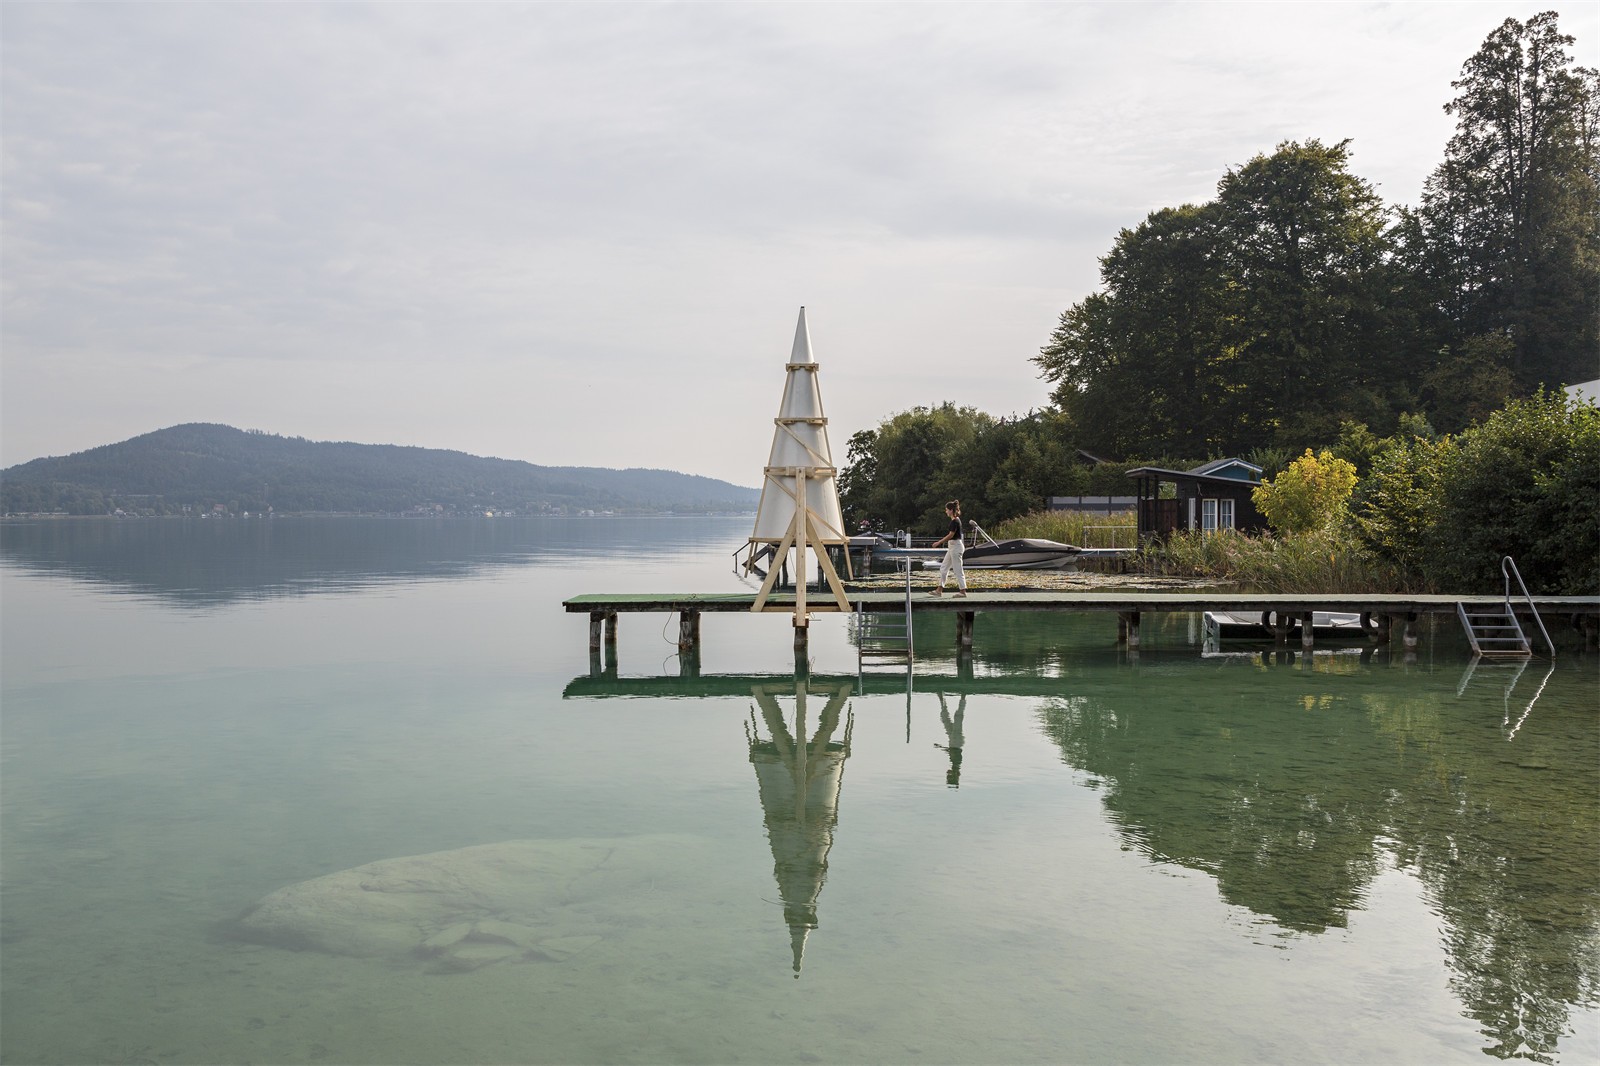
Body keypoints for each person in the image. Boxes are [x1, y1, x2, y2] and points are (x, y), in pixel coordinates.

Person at [929, 499, 967, 597]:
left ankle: (963, 591)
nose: (946, 511)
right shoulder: (954, 521)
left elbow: (951, 535)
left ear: (951, 510)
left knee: (958, 569)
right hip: (952, 547)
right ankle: (939, 590)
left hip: (956, 547)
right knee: (944, 568)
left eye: (946, 510)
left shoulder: (955, 521)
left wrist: (939, 542)